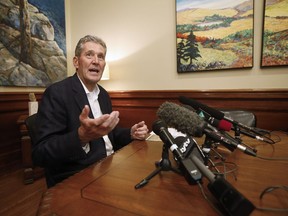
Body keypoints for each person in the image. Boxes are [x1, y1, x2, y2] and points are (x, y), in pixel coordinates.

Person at [32, 35, 149, 188]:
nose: (96, 61)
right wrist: (80, 137)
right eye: (89, 55)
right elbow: (41, 153)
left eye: (101, 57)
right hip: (79, 177)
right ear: (76, 62)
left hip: (111, 167)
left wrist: (131, 134)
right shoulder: (57, 93)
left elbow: (106, 136)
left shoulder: (104, 95)